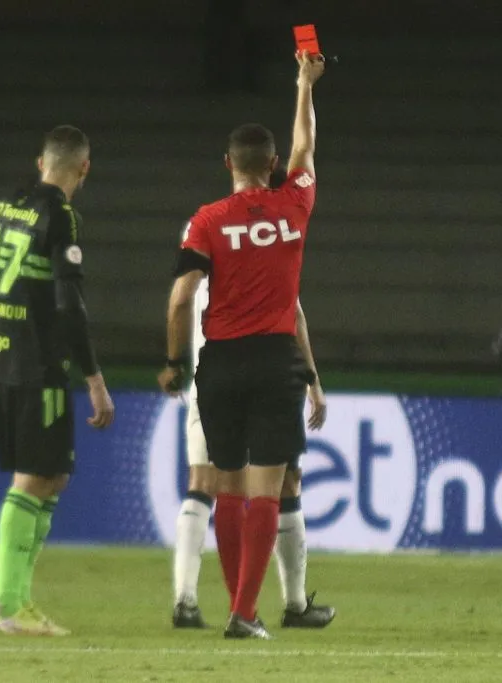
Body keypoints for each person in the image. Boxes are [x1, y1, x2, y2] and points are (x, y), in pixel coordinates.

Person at [158, 50, 326, 640]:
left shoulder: (206, 221)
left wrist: (174, 362)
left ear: (228, 163)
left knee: (225, 487)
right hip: (275, 359)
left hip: (220, 362)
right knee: (267, 491)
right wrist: (304, 85)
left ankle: (236, 604)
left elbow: (181, 299)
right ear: (272, 164)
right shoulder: (294, 204)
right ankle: (245, 613)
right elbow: (306, 146)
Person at [0, 125, 115, 636]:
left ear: (40, 162)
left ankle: (19, 602)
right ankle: (7, 607)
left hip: (6, 361)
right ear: (84, 168)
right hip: (40, 363)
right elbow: (69, 305)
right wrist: (94, 377)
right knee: (33, 479)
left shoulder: (4, 209)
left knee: (52, 478)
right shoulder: (60, 216)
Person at [171, 272, 335, 630]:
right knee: (280, 483)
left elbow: (180, 301)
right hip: (266, 379)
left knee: (207, 482)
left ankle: (187, 600)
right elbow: (294, 315)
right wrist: (312, 381)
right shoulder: (267, 252)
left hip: (211, 378)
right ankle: (282, 606)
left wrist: (174, 363)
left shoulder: (203, 250)